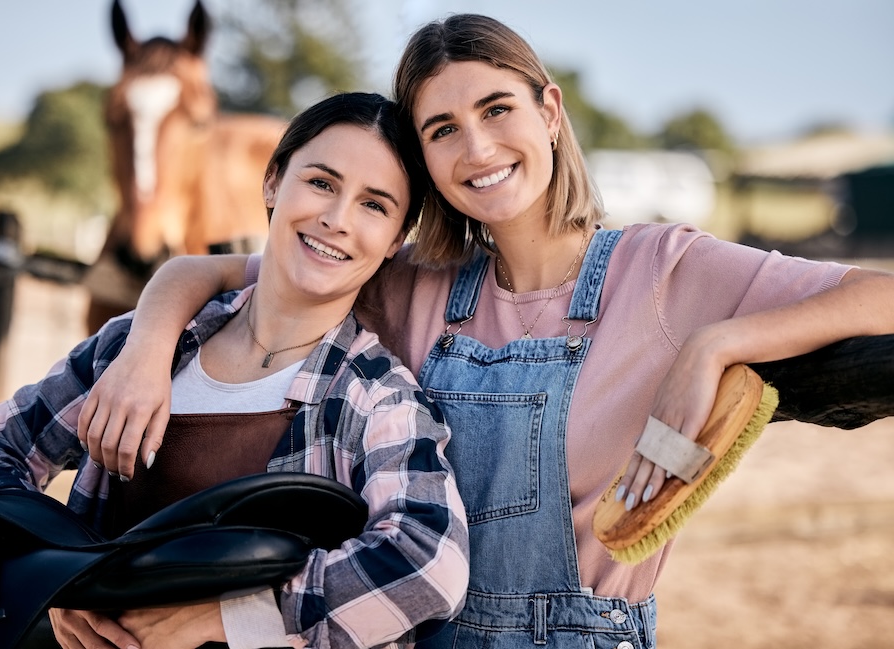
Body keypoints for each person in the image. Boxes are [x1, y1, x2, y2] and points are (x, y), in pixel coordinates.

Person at [79, 14, 894, 649]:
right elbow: (211, 271)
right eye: (441, 129)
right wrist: (147, 349)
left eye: (497, 109)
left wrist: (716, 344)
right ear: (425, 160)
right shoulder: (413, 288)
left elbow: (880, 295)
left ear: (549, 111)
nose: (476, 147)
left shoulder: (664, 269)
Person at [0, 92, 470, 649]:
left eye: (374, 205)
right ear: (272, 182)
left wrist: (227, 616)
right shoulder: (142, 348)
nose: (336, 219)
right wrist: (54, 575)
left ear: (396, 241)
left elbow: (430, 562)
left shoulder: (375, 398)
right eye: (321, 182)